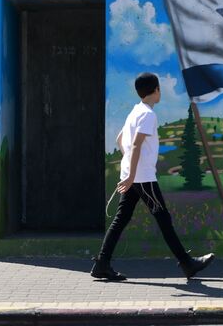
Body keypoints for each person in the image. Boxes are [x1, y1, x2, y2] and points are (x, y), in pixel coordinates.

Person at [91, 72, 214, 281]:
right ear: (156, 90)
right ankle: (187, 264)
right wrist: (132, 174)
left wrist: (129, 167)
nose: (160, 92)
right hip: (143, 178)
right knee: (163, 219)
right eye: (159, 89)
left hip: (134, 176)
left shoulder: (135, 111)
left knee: (121, 219)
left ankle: (102, 263)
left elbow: (121, 139)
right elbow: (137, 143)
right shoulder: (148, 114)